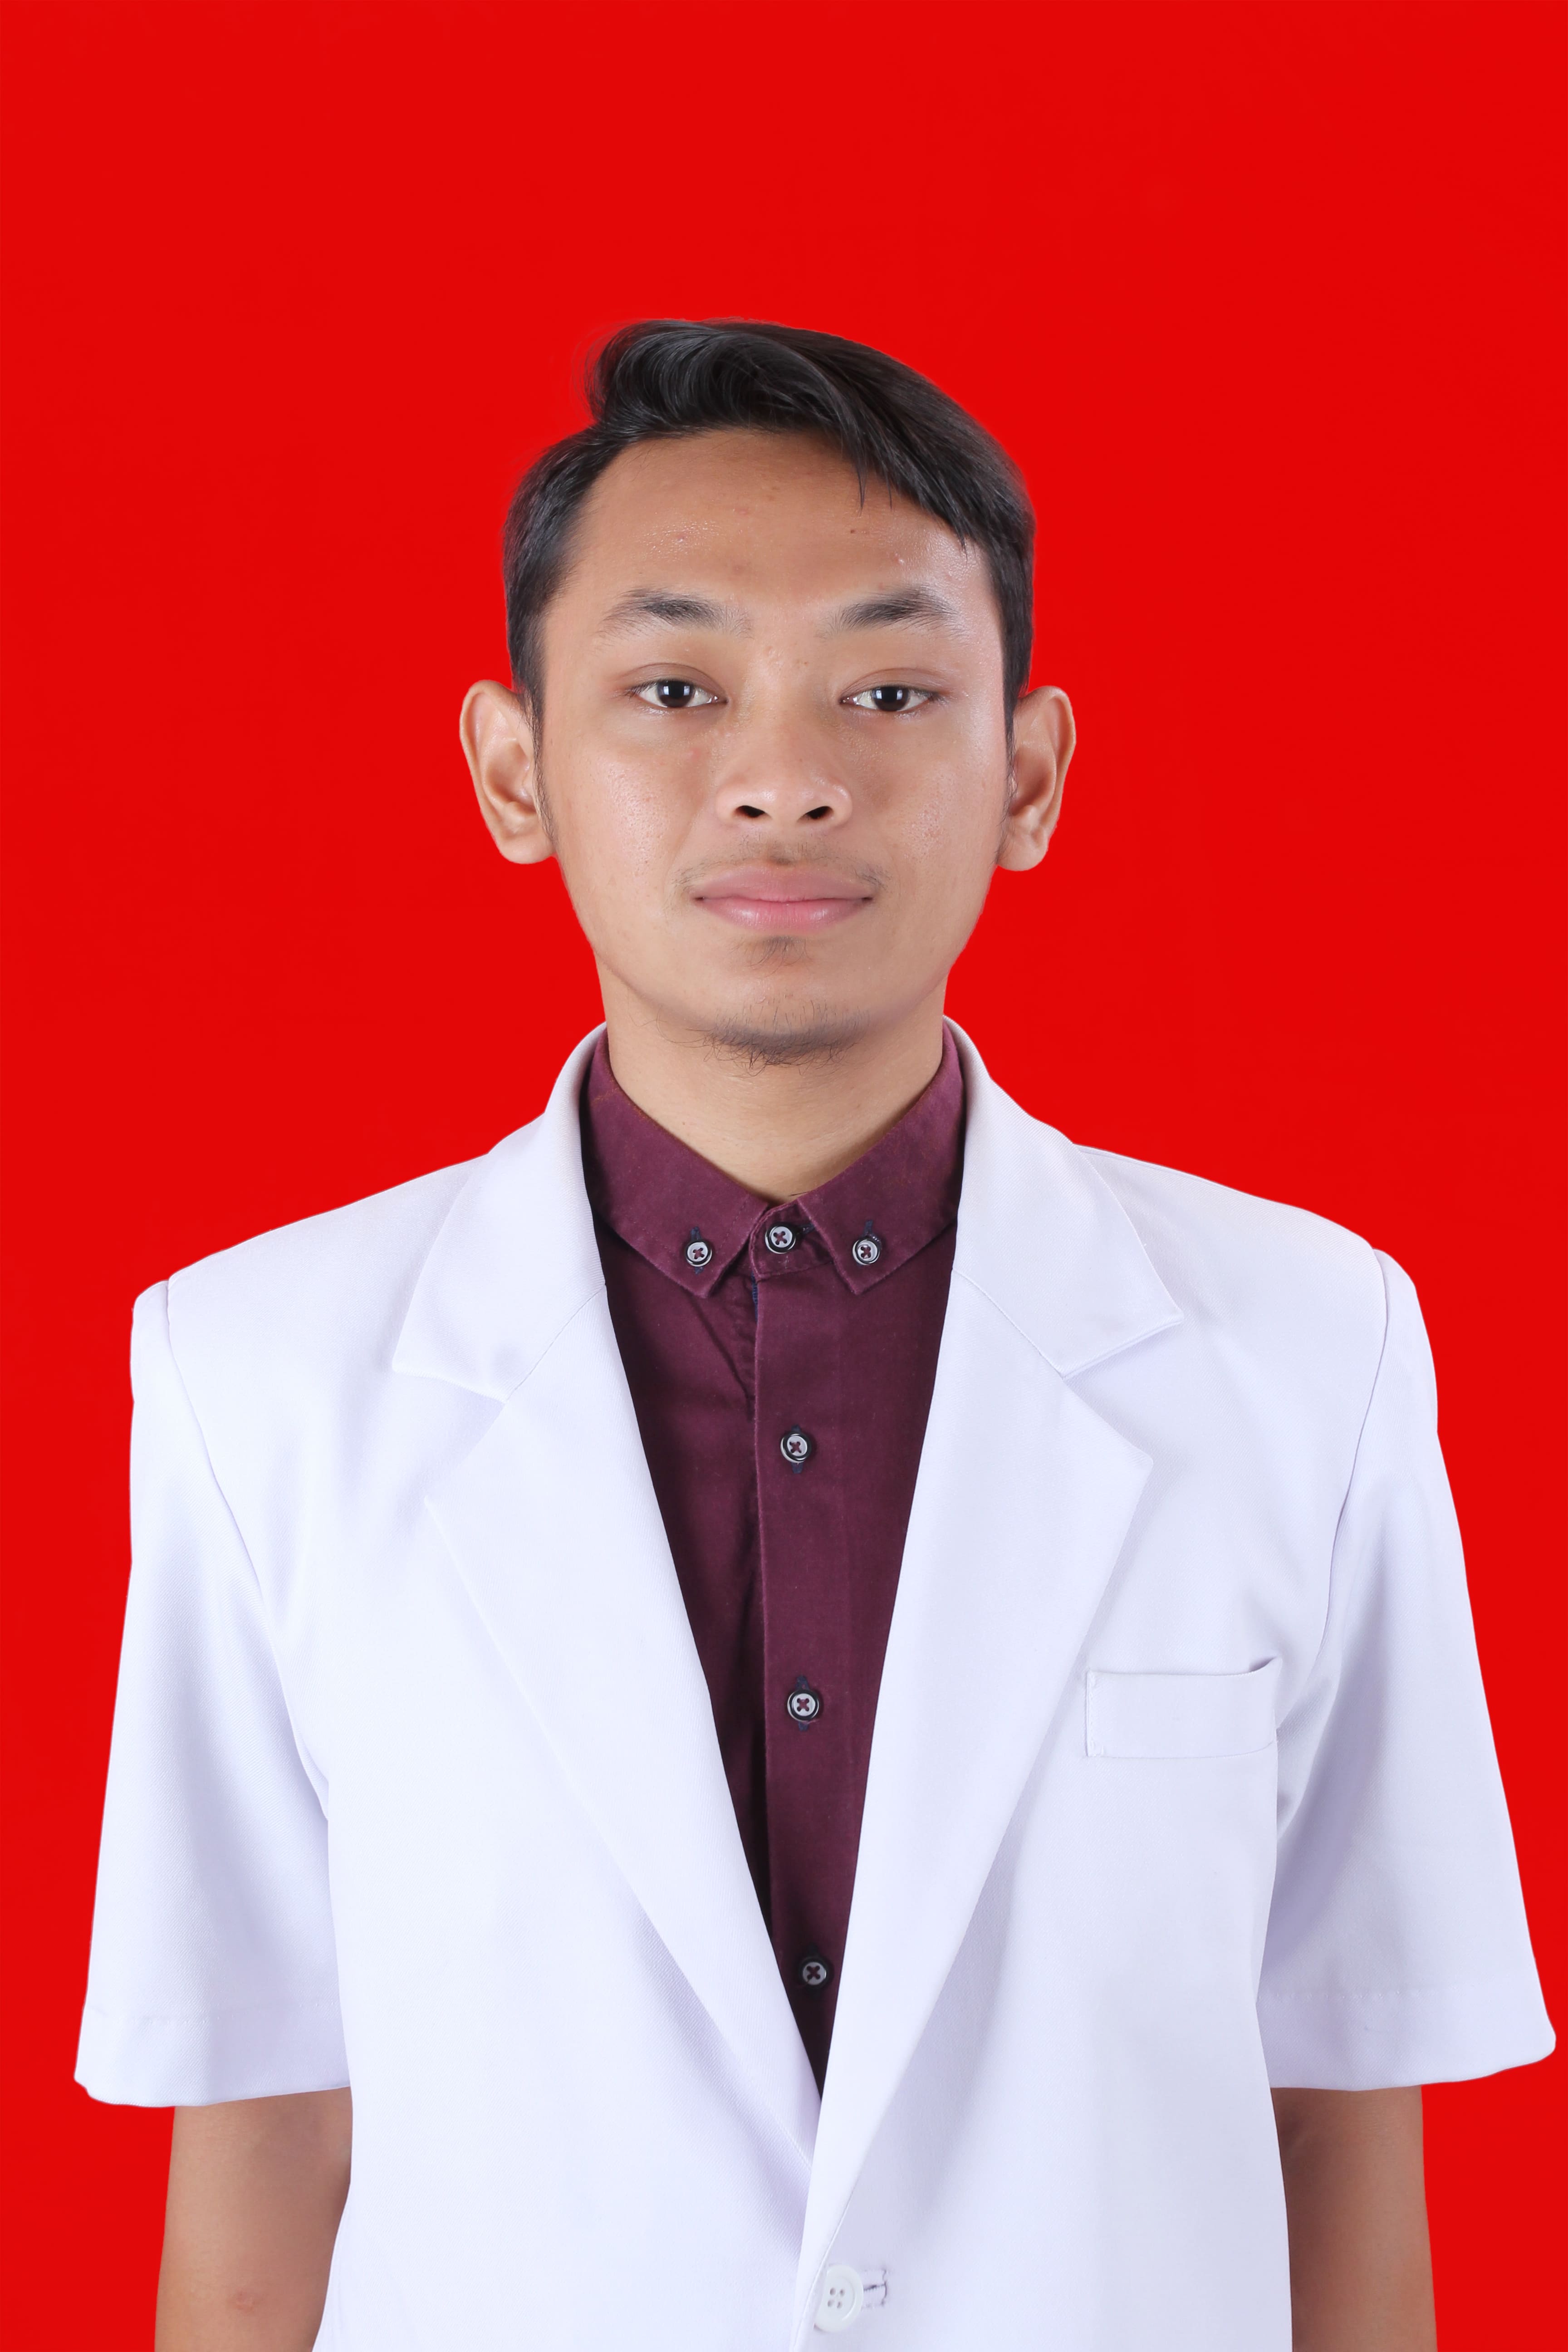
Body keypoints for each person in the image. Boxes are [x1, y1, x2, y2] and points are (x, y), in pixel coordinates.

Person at [78, 320, 1551, 2352]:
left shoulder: (1312, 1349)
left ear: (1026, 774)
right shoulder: (256, 1377)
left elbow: (1340, 2115)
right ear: (514, 770)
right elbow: (267, 2131)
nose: (785, 778)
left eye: (891, 690)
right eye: (675, 690)